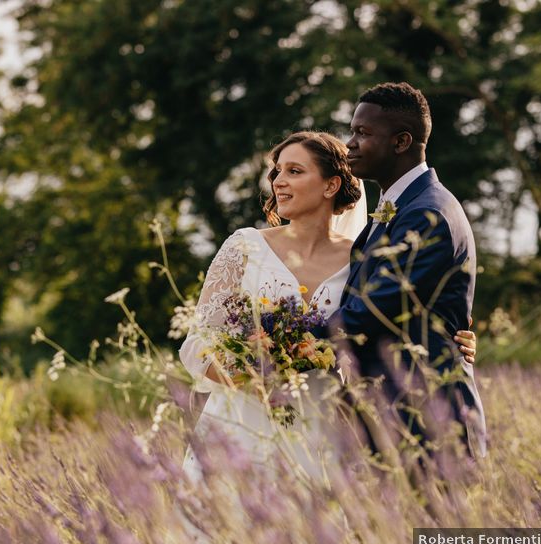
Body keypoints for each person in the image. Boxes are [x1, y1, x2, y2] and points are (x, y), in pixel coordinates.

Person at [178, 130, 478, 483]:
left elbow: (388, 323)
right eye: (277, 172)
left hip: (320, 433)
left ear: (331, 185)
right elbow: (197, 344)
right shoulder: (243, 247)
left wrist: (453, 341)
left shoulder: (361, 259)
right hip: (236, 429)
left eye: (294, 171)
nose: (278, 182)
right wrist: (255, 376)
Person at [336, 82, 486, 459]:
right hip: (393, 416)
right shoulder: (400, 206)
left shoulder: (426, 214)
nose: (349, 143)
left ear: (402, 142)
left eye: (362, 133)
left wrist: (284, 335)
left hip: (430, 421)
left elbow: (375, 311)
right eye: (352, 131)